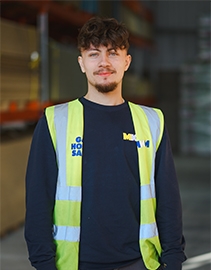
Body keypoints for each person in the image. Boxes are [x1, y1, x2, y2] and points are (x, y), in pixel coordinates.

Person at [24, 17, 186, 270]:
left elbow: (168, 198)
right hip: (76, 263)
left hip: (140, 262)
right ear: (81, 63)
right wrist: (43, 263)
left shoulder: (152, 121)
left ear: (127, 62)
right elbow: (38, 200)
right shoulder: (55, 121)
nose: (104, 63)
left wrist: (174, 258)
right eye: (93, 54)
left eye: (113, 53)